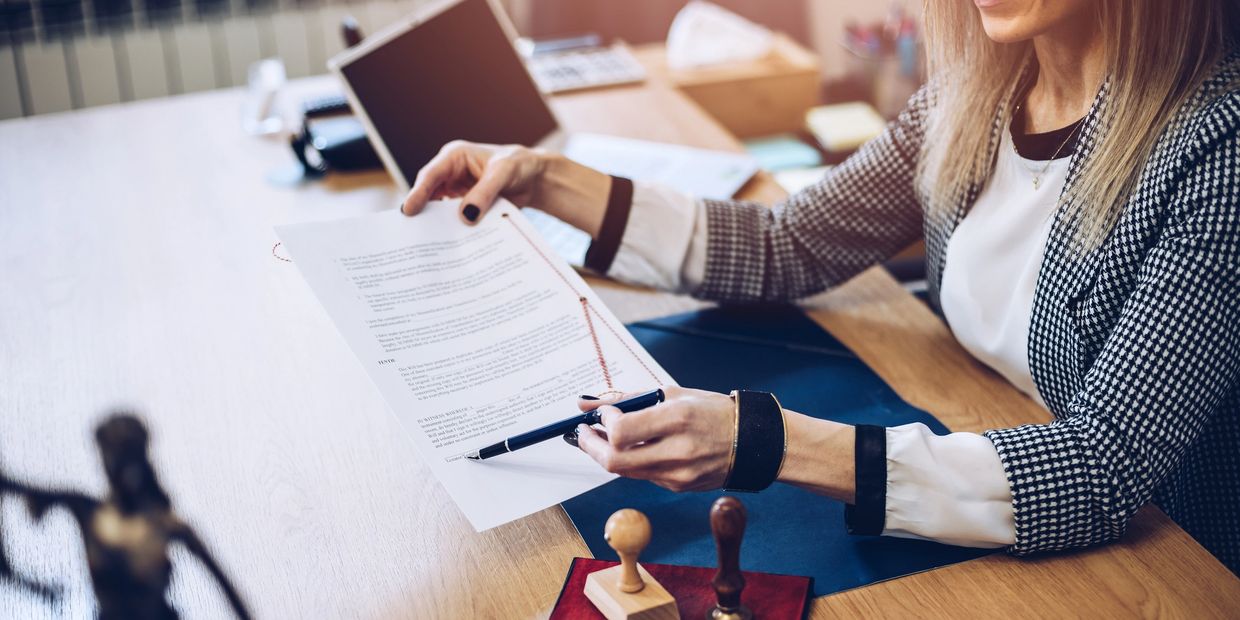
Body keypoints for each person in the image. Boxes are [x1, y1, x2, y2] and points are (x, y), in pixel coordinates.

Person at [400, 0, 1240, 571]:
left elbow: (1098, 470)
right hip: (979, 429)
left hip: (1172, 552)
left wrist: (764, 442)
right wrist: (549, 180)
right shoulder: (978, 91)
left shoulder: (1217, 143)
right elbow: (789, 242)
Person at [4, 414, 252, 619]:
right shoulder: (86, 510)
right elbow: (9, 488)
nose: (120, 471)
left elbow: (229, 594)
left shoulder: (165, 526)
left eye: (124, 460)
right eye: (112, 460)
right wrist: (20, 579)